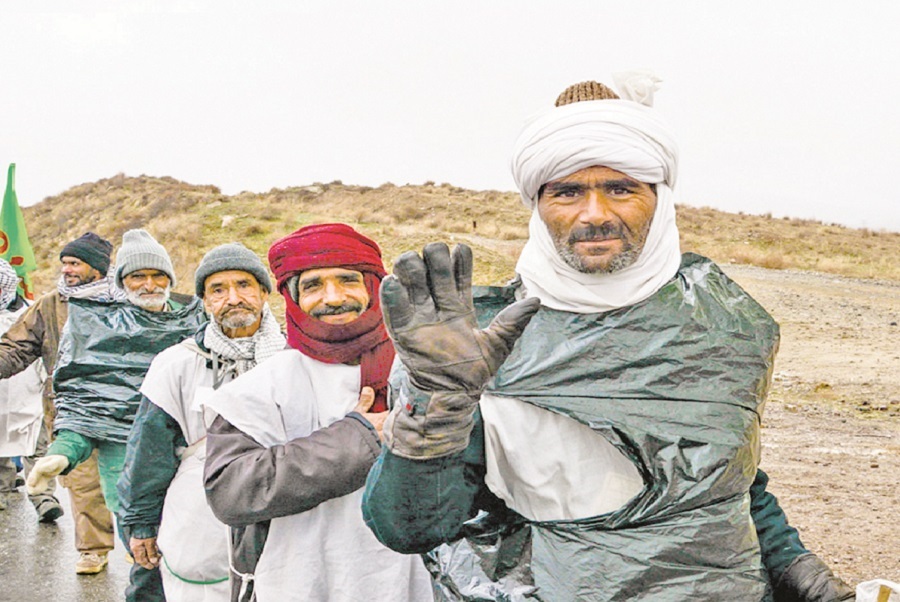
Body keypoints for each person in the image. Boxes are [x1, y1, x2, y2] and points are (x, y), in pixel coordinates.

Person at [362, 77, 855, 601]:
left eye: (620, 187)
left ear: (659, 198)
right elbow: (409, 529)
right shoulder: (478, 343)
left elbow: (726, 482)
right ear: (538, 203)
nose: (594, 214)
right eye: (568, 191)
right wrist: (439, 406)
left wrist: (798, 567)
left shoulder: (719, 324)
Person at [203, 223, 433, 602]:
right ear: (292, 298)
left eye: (348, 280)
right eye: (312, 286)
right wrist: (357, 439)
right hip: (296, 581)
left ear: (374, 287)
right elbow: (230, 492)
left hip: (409, 580)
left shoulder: (418, 370)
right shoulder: (265, 384)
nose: (333, 297)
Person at [26, 229, 206, 596]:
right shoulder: (96, 328)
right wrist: (61, 454)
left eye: (158, 275)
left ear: (171, 278)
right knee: (147, 569)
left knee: (196, 566)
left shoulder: (197, 322)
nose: (149, 284)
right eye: (137, 276)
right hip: (128, 479)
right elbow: (83, 405)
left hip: (192, 470)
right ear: (122, 281)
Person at [117, 243, 284, 602]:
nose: (233, 298)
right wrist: (142, 524)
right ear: (205, 302)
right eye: (218, 290)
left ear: (263, 293)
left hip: (279, 512)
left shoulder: (291, 361)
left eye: (244, 285)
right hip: (198, 517)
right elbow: (149, 451)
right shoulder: (176, 364)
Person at [0, 232, 118, 574]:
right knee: (82, 483)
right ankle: (94, 550)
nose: (67, 270)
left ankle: (143, 545)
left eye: (75, 264)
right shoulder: (51, 304)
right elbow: (17, 347)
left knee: (129, 480)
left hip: (122, 409)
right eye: (64, 263)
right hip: (70, 412)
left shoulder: (124, 300)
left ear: (97, 269)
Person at [0, 259, 46, 512]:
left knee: (36, 449)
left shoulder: (29, 313)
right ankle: (2, 490)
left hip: (26, 393)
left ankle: (43, 498)